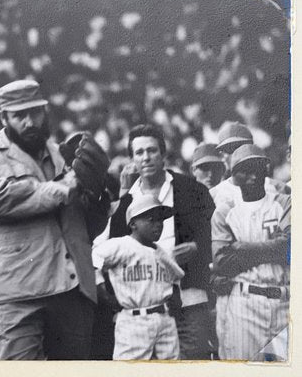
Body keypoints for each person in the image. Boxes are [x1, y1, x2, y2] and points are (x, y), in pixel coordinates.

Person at [0, 79, 110, 360]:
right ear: (4, 118)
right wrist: (65, 187)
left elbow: (87, 228)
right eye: (19, 115)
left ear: (45, 112)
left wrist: (96, 195)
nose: (29, 122)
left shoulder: (65, 156)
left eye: (35, 112)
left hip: (71, 290)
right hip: (17, 295)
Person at [110, 124, 215, 360]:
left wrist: (198, 247)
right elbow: (114, 252)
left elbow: (216, 234)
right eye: (139, 153)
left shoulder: (192, 190)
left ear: (163, 153)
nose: (146, 157)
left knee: (194, 364)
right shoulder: (126, 202)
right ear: (132, 159)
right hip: (145, 309)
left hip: (189, 301)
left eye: (151, 150)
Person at [211, 144, 290, 361]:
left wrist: (244, 247)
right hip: (245, 301)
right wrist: (274, 247)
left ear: (266, 169)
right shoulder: (225, 210)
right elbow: (222, 263)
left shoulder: (284, 202)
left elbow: (292, 247)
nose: (253, 175)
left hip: (284, 301)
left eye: (257, 167)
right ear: (234, 175)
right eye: (244, 169)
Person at [93, 195, 184, 360]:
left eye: (161, 220)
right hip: (133, 320)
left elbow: (176, 277)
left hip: (164, 319)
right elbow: (92, 261)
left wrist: (175, 295)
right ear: (133, 224)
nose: (158, 224)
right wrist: (103, 294)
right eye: (151, 219)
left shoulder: (162, 252)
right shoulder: (120, 245)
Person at [212, 122, 289, 207]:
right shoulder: (215, 194)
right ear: (223, 156)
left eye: (240, 147)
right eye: (229, 149)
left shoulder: (278, 188)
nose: (237, 154)